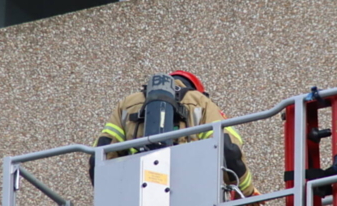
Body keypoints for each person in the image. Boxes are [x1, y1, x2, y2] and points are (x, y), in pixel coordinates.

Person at [90, 70, 256, 198]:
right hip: (190, 192)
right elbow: (228, 149)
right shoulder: (200, 101)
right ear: (196, 89)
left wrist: (110, 199)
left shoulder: (127, 104)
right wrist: (247, 191)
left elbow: (101, 155)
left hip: (136, 193)